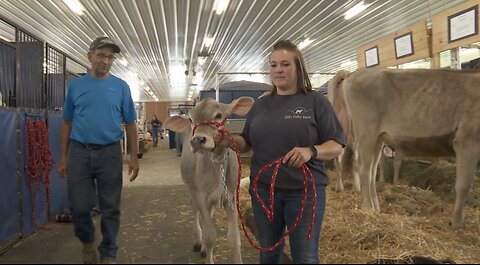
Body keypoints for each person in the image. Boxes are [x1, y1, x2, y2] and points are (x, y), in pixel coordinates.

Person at [213, 40, 344, 264]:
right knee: (269, 253)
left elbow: (336, 144)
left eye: (285, 64)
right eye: (273, 65)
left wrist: (310, 151)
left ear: (298, 68)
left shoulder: (315, 102)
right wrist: (229, 140)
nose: (278, 70)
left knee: (306, 256)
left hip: (304, 192)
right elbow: (247, 142)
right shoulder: (261, 105)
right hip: (264, 191)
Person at [57, 36, 140, 264]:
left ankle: (108, 254)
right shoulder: (75, 86)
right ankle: (87, 242)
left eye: (110, 57)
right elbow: (67, 122)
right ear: (90, 56)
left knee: (110, 207)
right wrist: (63, 157)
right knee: (80, 207)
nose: (105, 61)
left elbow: (131, 123)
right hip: (79, 152)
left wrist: (133, 156)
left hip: (110, 153)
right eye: (101, 55)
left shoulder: (121, 87)